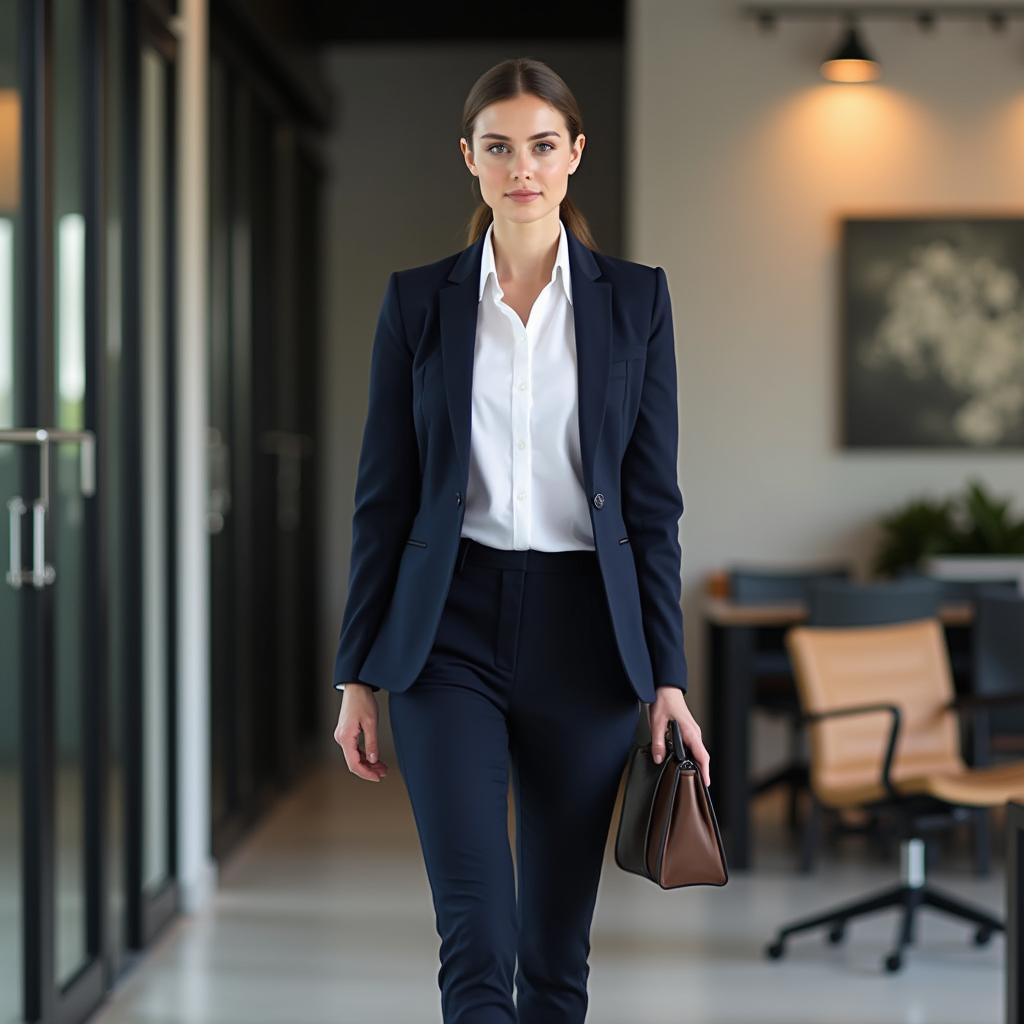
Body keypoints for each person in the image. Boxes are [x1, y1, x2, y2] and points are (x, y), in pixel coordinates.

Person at [332, 56, 710, 1024]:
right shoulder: (418, 302)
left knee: (552, 948)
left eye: (542, 146)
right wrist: (357, 675)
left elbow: (650, 503)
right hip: (443, 631)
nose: (521, 167)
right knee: (476, 937)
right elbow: (384, 499)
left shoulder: (634, 300)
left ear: (574, 154)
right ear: (469, 159)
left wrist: (666, 675)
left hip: (585, 637)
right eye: (498, 148)